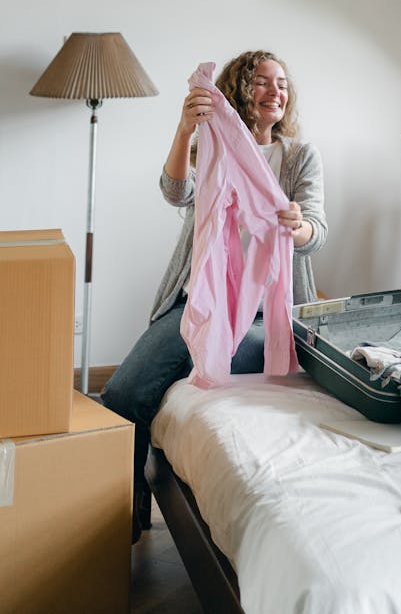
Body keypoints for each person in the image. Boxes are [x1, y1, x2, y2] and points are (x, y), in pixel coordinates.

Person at [101, 49, 327, 541]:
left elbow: (318, 231)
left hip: (266, 315)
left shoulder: (299, 157)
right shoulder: (213, 143)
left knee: (243, 373)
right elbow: (175, 191)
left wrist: (299, 226)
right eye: (263, 82)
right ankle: (128, 502)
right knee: (121, 394)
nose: (276, 92)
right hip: (197, 303)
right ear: (239, 90)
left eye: (283, 83)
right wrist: (185, 130)